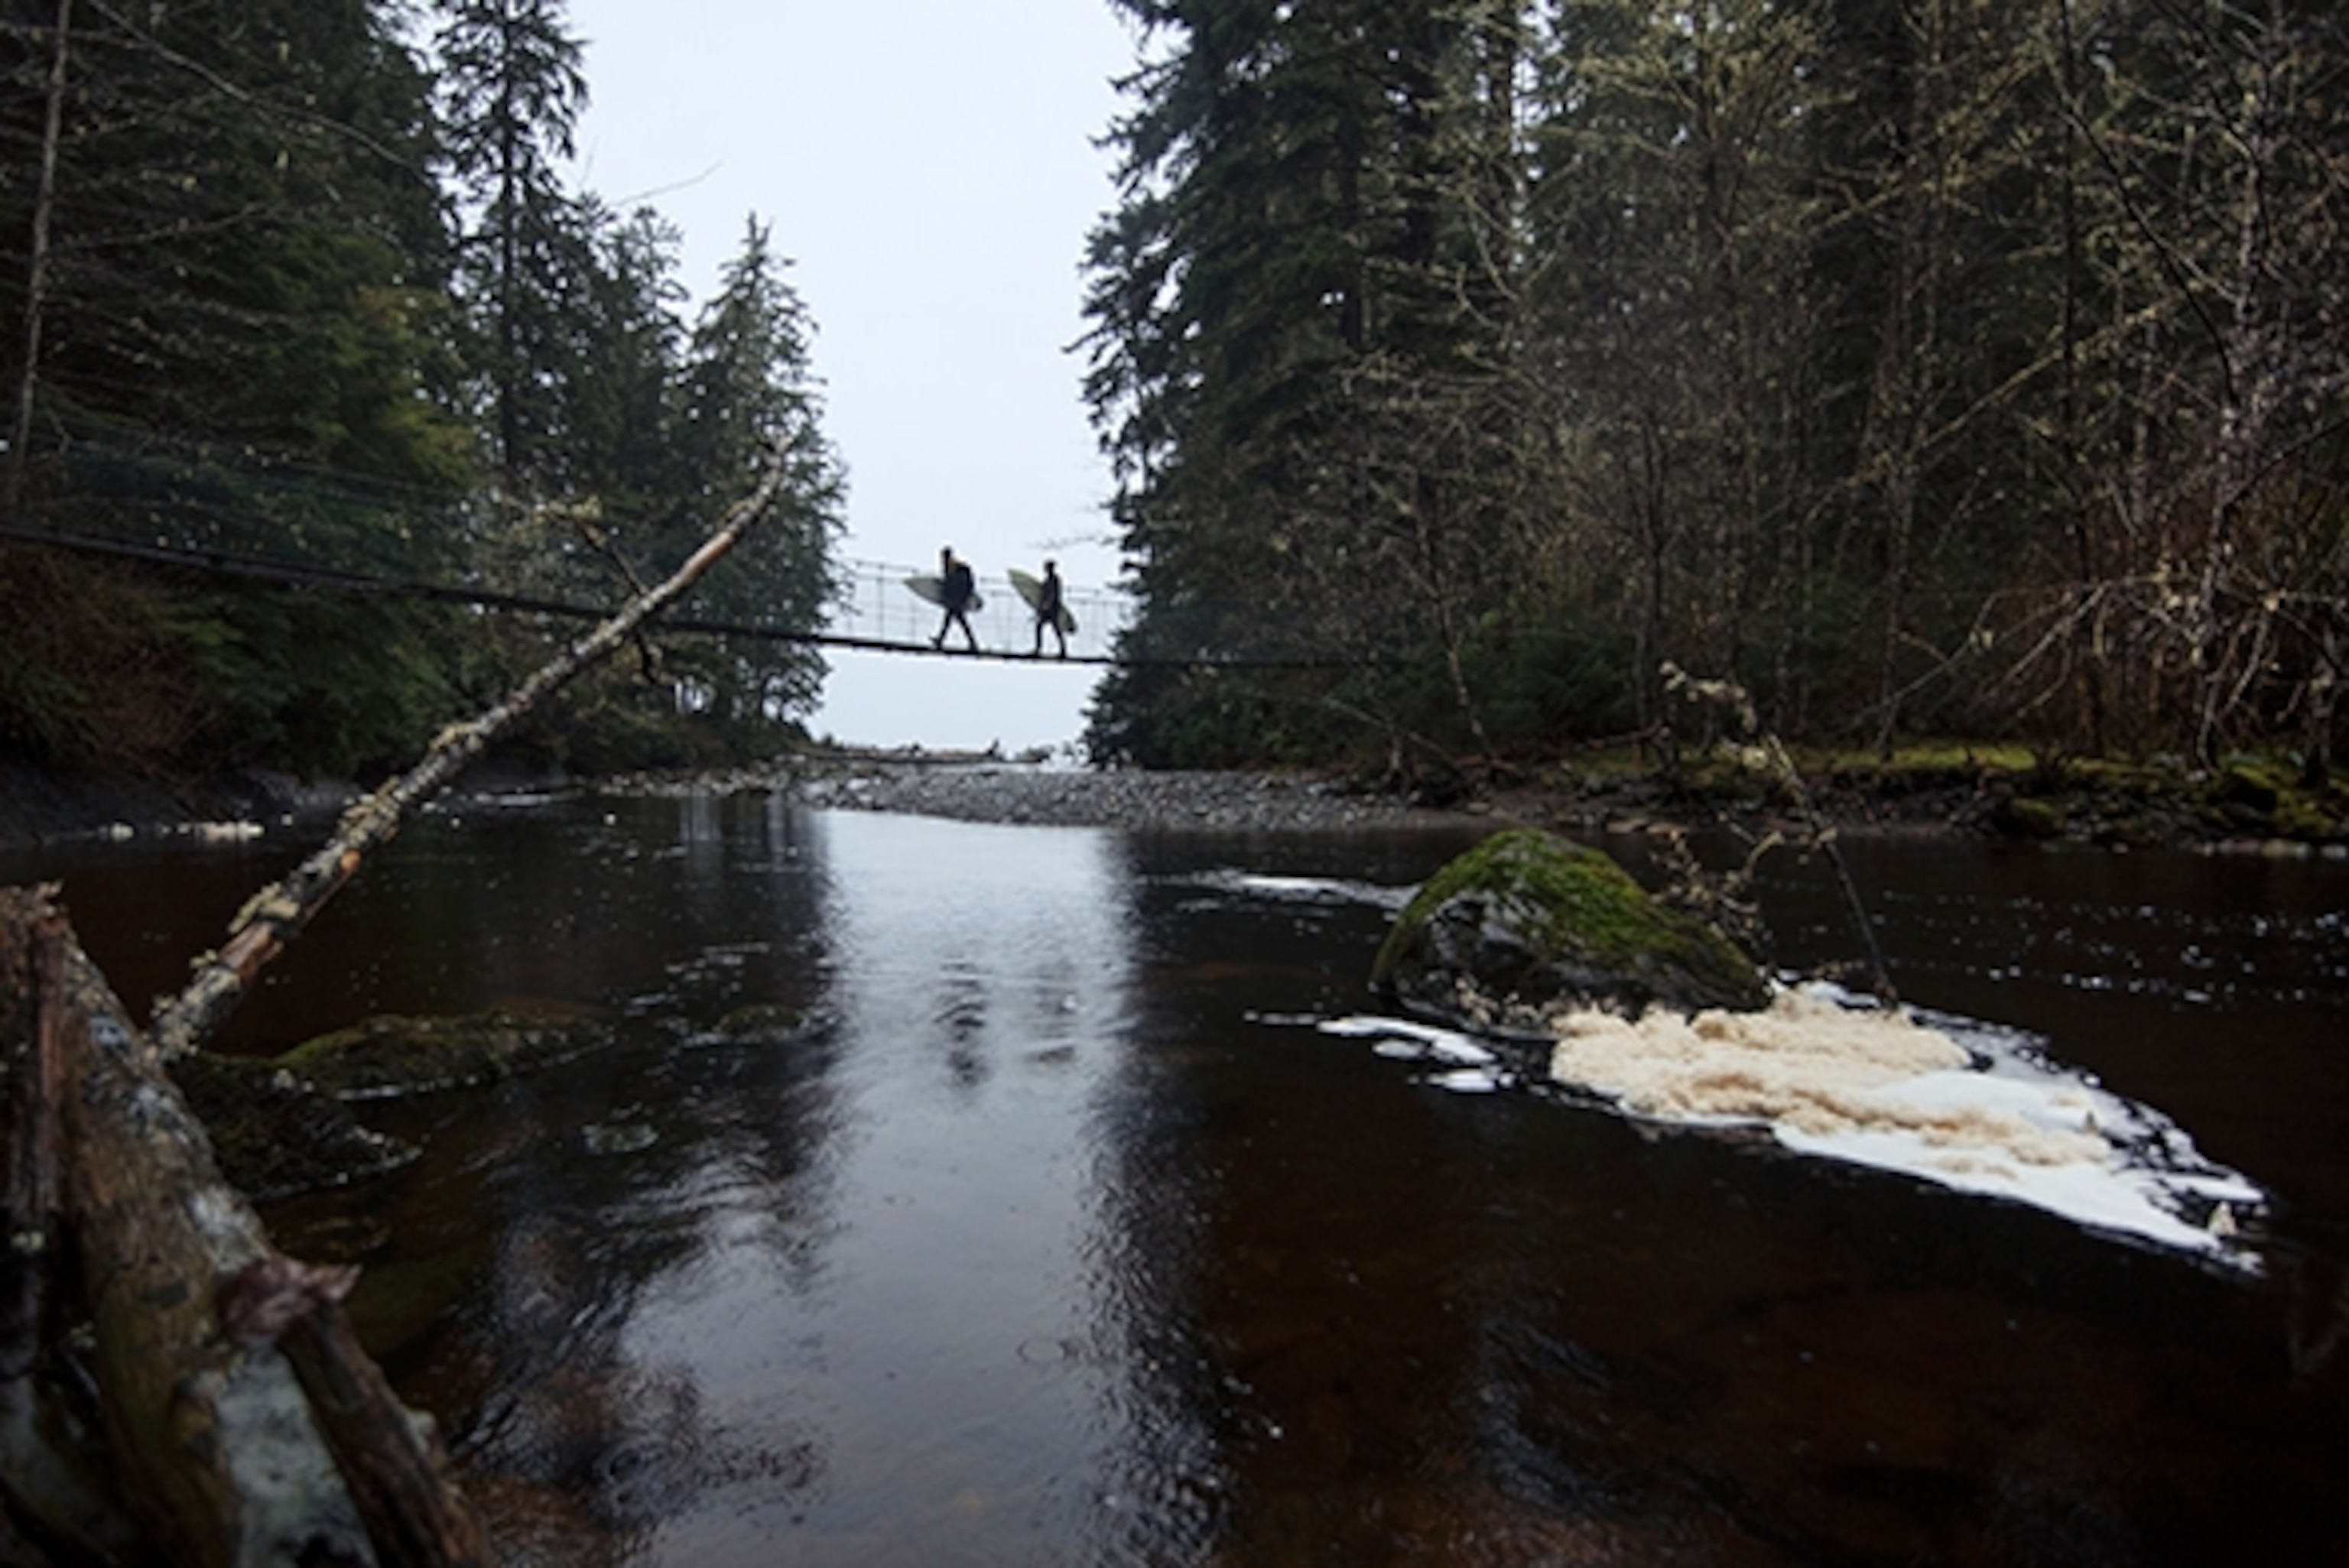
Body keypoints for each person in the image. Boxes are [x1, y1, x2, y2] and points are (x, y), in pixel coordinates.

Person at [932, 546, 980, 651]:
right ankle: (972, 643)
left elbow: (955, 583)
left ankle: (940, 640)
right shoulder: (952, 567)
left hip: (956, 599)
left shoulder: (955, 567)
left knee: (952, 621)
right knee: (958, 622)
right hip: (955, 599)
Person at [1031, 558, 1067, 659]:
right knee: (1043, 627)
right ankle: (1040, 648)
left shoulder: (1054, 580)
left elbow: (1054, 594)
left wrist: (1047, 604)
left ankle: (1062, 650)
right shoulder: (1048, 580)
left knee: (1055, 629)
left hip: (1052, 609)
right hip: (1048, 608)